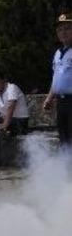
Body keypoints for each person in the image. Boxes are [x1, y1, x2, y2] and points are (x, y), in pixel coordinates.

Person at [0, 75, 29, 172]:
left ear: (4, 80)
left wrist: (5, 125)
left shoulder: (12, 88)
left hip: (19, 121)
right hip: (5, 120)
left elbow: (11, 107)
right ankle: (1, 130)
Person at [42, 12, 72, 147]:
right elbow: (56, 78)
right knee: (64, 136)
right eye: (59, 30)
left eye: (67, 28)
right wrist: (49, 98)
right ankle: (65, 166)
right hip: (61, 101)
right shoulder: (58, 53)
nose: (63, 32)